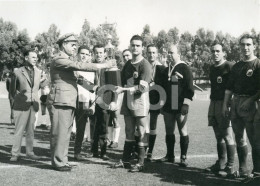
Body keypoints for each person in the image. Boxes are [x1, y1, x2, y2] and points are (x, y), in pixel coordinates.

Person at [47, 33, 115, 172]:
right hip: (61, 101)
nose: (74, 48)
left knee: (65, 133)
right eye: (72, 45)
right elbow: (79, 65)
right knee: (59, 132)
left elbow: (79, 79)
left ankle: (62, 160)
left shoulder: (66, 61)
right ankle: (58, 161)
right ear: (63, 44)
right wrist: (103, 65)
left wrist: (97, 88)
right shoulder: (60, 58)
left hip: (66, 101)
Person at [222, 34, 260, 178]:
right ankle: (243, 170)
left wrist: (251, 100)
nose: (245, 47)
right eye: (243, 44)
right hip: (236, 103)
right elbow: (229, 88)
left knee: (254, 139)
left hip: (251, 104)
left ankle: (257, 172)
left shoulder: (258, 64)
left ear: (254, 46)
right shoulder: (237, 66)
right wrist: (225, 104)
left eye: (248, 44)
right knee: (239, 137)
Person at [113, 35, 152, 172]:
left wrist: (123, 89)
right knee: (129, 130)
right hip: (127, 101)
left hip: (140, 101)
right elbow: (121, 83)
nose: (135, 48)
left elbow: (141, 88)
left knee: (141, 131)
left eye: (138, 45)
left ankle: (141, 162)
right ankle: (125, 160)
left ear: (142, 48)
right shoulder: (127, 65)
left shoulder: (145, 65)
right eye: (133, 45)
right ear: (130, 46)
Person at [157, 44, 194, 167]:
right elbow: (162, 89)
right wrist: (161, 105)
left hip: (179, 105)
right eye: (168, 52)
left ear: (179, 54)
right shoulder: (166, 69)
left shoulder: (184, 68)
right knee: (169, 131)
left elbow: (189, 88)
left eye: (172, 52)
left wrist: (186, 104)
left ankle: (183, 157)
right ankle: (170, 155)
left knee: (183, 130)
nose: (169, 55)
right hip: (168, 105)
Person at [9, 49, 48, 162]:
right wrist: (15, 102)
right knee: (19, 131)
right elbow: (11, 90)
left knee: (31, 131)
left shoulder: (39, 71)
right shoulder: (17, 71)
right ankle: (15, 153)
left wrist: (44, 80)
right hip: (21, 105)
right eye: (33, 57)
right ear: (26, 58)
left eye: (36, 57)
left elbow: (41, 86)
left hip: (34, 105)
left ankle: (29, 152)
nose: (36, 59)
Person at [205, 42, 236, 177]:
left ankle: (230, 166)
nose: (215, 54)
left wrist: (228, 104)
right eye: (213, 51)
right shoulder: (212, 68)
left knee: (228, 136)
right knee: (218, 136)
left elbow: (235, 86)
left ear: (223, 52)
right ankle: (221, 163)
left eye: (218, 51)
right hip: (213, 103)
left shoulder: (229, 66)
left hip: (225, 103)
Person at [90, 44, 116, 160]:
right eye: (97, 53)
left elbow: (114, 86)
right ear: (93, 54)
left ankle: (103, 152)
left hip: (105, 100)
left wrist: (114, 101)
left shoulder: (109, 66)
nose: (99, 55)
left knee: (104, 126)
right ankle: (94, 150)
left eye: (101, 53)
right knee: (93, 125)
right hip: (92, 99)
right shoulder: (90, 66)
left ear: (105, 54)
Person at [73, 45, 95, 161]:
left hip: (84, 102)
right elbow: (89, 85)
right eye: (82, 53)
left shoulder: (91, 70)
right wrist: (91, 87)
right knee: (67, 127)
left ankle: (77, 152)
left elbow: (91, 89)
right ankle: (61, 151)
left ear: (89, 56)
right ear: (78, 54)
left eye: (86, 54)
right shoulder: (73, 67)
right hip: (71, 100)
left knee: (81, 129)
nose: (84, 56)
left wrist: (92, 104)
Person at [146, 44, 165, 161]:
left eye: (153, 52)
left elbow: (164, 87)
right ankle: (139, 149)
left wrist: (161, 104)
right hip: (142, 99)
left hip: (155, 101)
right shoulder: (143, 65)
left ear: (157, 54)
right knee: (140, 125)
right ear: (146, 53)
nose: (151, 55)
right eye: (149, 52)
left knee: (153, 125)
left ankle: (150, 151)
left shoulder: (162, 68)